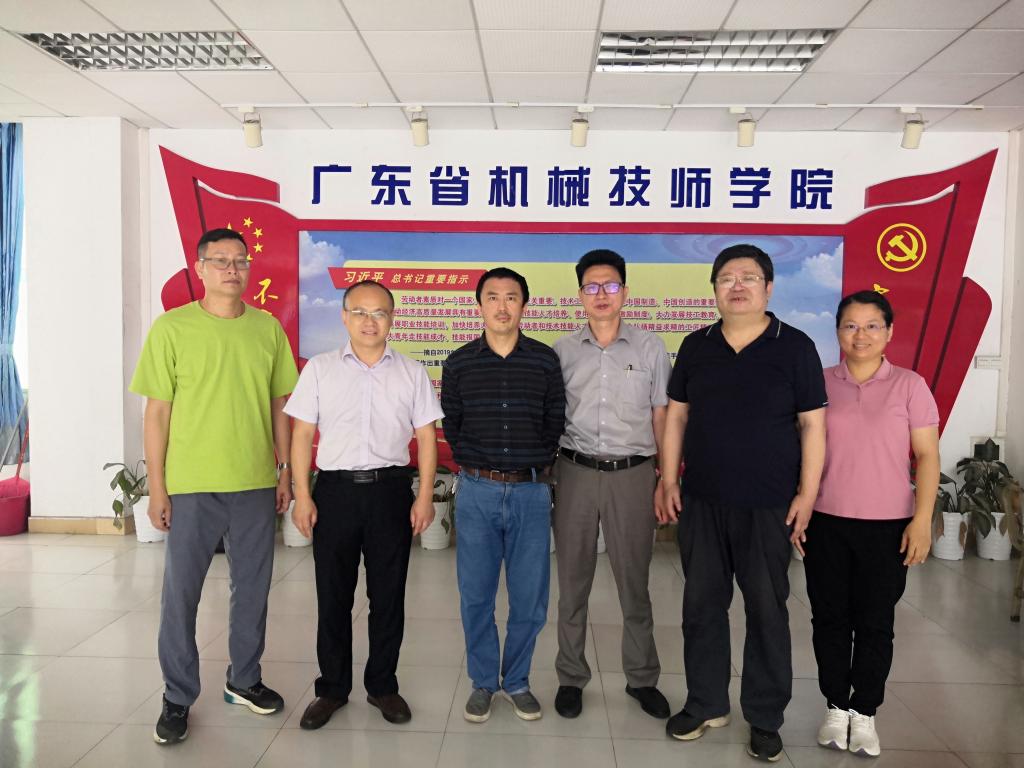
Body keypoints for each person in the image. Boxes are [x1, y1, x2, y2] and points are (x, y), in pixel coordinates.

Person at [659, 243, 827, 761]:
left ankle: (765, 716)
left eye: (748, 277)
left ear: (768, 288)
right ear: (714, 289)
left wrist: (807, 494)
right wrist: (668, 480)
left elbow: (813, 425)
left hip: (768, 504)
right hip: (703, 500)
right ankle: (706, 702)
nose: (737, 286)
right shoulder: (697, 345)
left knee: (766, 610)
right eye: (727, 278)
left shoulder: (794, 347)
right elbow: (677, 415)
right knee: (701, 606)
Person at [130, 228, 298, 745]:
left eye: (240, 260)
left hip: (253, 482)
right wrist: (158, 487)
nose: (232, 268)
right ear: (199, 268)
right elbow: (157, 413)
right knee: (181, 594)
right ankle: (177, 696)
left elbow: (279, 405)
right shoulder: (172, 328)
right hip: (191, 485)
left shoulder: (267, 329)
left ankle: (244, 680)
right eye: (220, 260)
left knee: (253, 589)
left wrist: (285, 470)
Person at [285, 279, 443, 729]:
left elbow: (426, 438)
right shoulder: (320, 369)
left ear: (392, 319)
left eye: (379, 313)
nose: (369, 321)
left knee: (388, 596)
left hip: (389, 492)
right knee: (333, 595)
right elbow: (302, 435)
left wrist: (424, 496)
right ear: (344, 317)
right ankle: (332, 689)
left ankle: (383, 686)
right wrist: (302, 495)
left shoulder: (411, 372)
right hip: (334, 492)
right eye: (360, 312)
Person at [804, 290, 939, 758]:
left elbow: (926, 456)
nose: (860, 335)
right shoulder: (820, 383)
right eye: (850, 326)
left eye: (871, 326)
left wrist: (922, 520)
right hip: (826, 521)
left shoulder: (909, 386)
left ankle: (865, 712)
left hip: (888, 526)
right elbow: (800, 451)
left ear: (889, 332)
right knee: (829, 618)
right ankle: (835, 705)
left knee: (875, 621)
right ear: (838, 331)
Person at [440, 267, 565, 723]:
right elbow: (452, 423)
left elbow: (555, 420)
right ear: (479, 305)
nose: (502, 305)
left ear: (524, 305)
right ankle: (483, 682)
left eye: (511, 297)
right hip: (477, 491)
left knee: (530, 598)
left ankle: (516, 681)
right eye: (492, 296)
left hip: (531, 491)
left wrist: (535, 462)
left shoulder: (544, 361)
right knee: (476, 594)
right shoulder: (459, 363)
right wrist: (479, 465)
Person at [551, 249, 672, 720]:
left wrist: (665, 478)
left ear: (625, 291)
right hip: (575, 472)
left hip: (633, 474)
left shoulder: (650, 348)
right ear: (580, 294)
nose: (601, 294)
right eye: (592, 287)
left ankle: (641, 678)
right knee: (572, 581)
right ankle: (570, 676)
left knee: (634, 581)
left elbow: (662, 415)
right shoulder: (561, 351)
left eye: (611, 285)